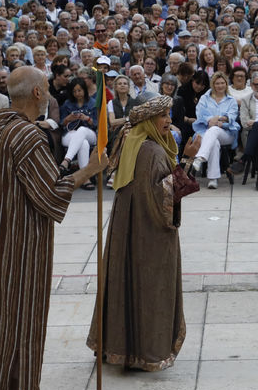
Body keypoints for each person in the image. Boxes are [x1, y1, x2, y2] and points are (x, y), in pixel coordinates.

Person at [0, 66, 108, 390]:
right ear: (35, 94)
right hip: (21, 252)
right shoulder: (27, 134)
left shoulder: (2, 129)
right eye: (45, 88)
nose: (47, 94)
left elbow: (37, 181)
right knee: (19, 331)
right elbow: (51, 194)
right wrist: (90, 169)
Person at [87, 95, 185, 371]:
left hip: (127, 225)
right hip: (149, 232)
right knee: (149, 286)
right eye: (162, 116)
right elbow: (163, 195)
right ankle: (145, 352)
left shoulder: (132, 141)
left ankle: (116, 347)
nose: (168, 121)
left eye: (168, 115)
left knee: (122, 281)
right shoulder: (152, 151)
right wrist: (189, 161)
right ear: (147, 120)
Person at [190, 71, 240, 189]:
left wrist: (219, 121)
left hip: (227, 133)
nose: (220, 86)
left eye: (222, 83)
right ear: (213, 84)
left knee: (214, 130)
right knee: (214, 143)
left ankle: (200, 157)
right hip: (205, 132)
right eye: (217, 83)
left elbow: (231, 118)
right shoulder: (205, 98)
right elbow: (200, 115)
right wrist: (210, 120)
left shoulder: (231, 100)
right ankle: (213, 179)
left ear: (226, 84)